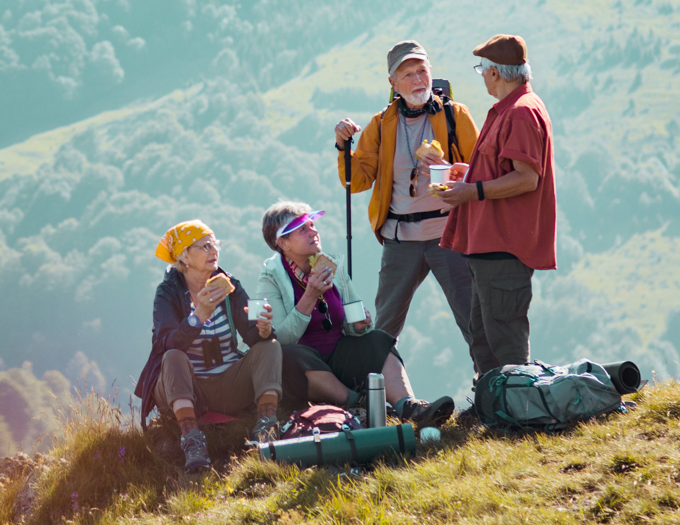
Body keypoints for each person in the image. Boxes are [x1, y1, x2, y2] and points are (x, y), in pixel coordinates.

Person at [252, 201, 455, 427]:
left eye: (312, 224)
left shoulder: (331, 266)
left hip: (339, 356)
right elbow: (278, 340)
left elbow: (352, 319)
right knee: (291, 356)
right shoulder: (271, 277)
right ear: (283, 242)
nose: (313, 231)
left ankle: (409, 407)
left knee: (378, 339)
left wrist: (360, 326)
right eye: (303, 229)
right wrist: (309, 297)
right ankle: (359, 404)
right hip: (305, 368)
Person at [333, 41, 481, 346]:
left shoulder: (455, 115)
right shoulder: (380, 125)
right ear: (393, 83)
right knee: (384, 329)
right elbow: (356, 182)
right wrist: (342, 145)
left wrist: (447, 168)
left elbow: (482, 175)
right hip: (400, 239)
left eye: (421, 71)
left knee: (473, 322)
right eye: (408, 74)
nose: (417, 80)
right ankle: (379, 391)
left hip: (449, 234)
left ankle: (492, 385)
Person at [435, 34, 559, 375]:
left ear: (495, 73)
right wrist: (469, 174)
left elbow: (526, 178)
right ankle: (492, 406)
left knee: (504, 337)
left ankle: (519, 411)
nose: (482, 76)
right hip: (487, 244)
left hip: (505, 245)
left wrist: (470, 191)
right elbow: (504, 170)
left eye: (482, 70)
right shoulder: (509, 109)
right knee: (483, 336)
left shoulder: (520, 113)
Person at [133, 220, 284, 472]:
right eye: (204, 246)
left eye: (215, 245)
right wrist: (199, 314)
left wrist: (264, 330)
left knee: (270, 346)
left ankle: (266, 426)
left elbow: (251, 335)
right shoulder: (167, 293)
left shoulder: (229, 285)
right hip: (189, 389)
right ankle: (192, 439)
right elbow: (167, 342)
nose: (214, 251)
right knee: (172, 356)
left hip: (228, 383)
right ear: (184, 257)